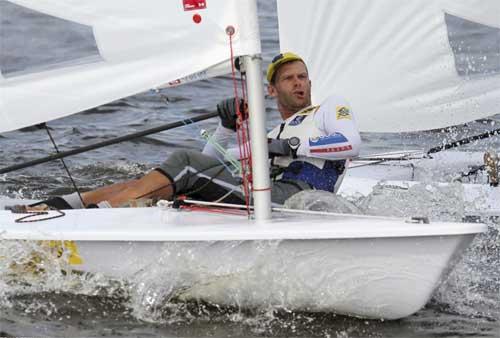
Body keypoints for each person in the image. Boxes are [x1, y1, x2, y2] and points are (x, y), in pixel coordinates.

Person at [32, 52, 361, 210]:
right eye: (288, 78)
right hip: (265, 197)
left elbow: (350, 144)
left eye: (302, 76)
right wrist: (225, 127)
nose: (298, 82)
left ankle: (93, 219)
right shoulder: (272, 132)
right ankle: (54, 206)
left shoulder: (327, 109)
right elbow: (213, 162)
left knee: (181, 164)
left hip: (298, 201)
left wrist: (287, 147)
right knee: (156, 182)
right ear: (272, 90)